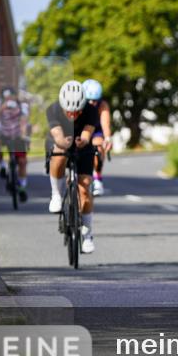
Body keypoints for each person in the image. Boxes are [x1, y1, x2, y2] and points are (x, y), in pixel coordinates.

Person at [46, 81, 100, 254]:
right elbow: (57, 135)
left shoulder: (91, 111)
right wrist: (64, 142)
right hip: (61, 141)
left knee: (84, 190)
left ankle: (88, 234)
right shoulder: (53, 109)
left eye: (77, 112)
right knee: (59, 151)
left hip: (82, 145)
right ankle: (56, 194)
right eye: (69, 112)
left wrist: (82, 141)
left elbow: (87, 133)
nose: (73, 115)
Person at [0, 87, 30, 202]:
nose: (9, 99)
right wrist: (3, 106)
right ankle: (2, 166)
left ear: (15, 96)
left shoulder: (22, 105)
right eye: (6, 97)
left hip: (17, 135)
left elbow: (24, 121)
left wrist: (24, 136)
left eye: (11, 96)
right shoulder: (0, 103)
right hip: (3, 133)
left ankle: (22, 187)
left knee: (22, 161)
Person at [82, 79, 113, 196]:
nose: (92, 103)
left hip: (96, 131)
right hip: (82, 130)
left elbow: (105, 124)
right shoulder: (79, 104)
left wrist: (108, 138)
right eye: (88, 100)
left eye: (95, 100)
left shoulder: (102, 105)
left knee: (98, 146)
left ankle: (97, 178)